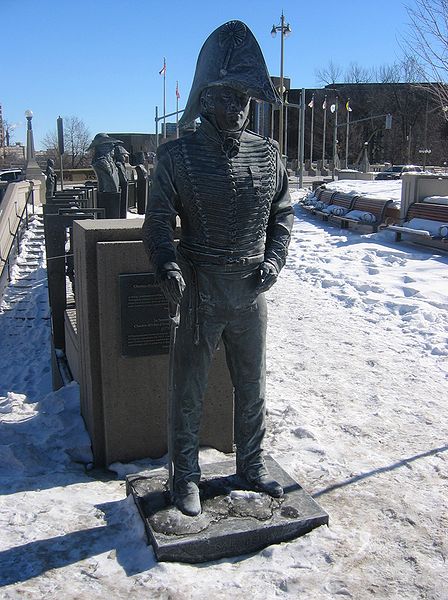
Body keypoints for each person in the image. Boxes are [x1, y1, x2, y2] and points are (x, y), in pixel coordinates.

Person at [142, 20, 293, 517]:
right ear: (206, 99)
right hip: (201, 291)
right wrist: (167, 264)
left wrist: (274, 258)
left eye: (246, 97)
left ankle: (250, 462)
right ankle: (184, 473)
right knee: (188, 389)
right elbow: (158, 221)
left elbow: (282, 215)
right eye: (230, 96)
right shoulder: (177, 156)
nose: (241, 106)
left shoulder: (269, 156)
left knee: (252, 386)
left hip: (251, 290)